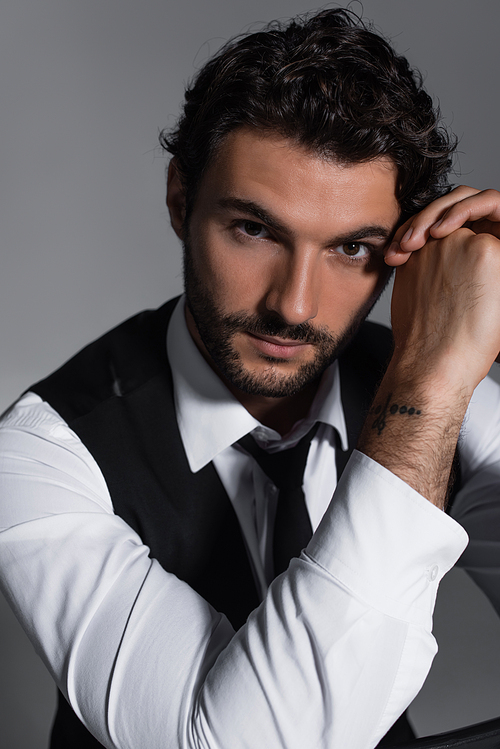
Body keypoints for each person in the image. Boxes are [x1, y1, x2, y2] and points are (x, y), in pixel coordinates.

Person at [1, 7, 499, 748]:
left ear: (407, 250)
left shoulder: (460, 396)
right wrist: (424, 396)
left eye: (353, 249)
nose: (294, 304)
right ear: (181, 200)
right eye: (255, 230)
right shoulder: (39, 455)